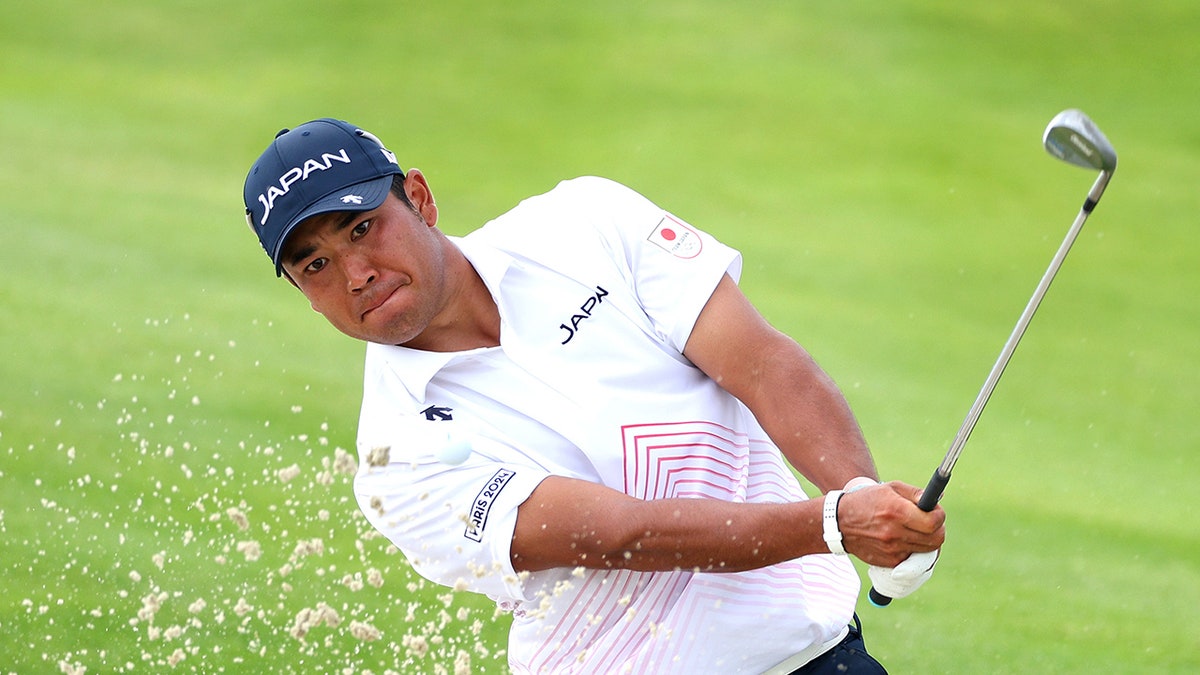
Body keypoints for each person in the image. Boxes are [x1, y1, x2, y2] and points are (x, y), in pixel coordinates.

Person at [242, 118, 945, 674]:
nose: (356, 272)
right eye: (316, 264)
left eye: (363, 227)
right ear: (305, 294)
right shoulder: (396, 458)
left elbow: (760, 363)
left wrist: (869, 505)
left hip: (820, 658)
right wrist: (834, 522)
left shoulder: (582, 223)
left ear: (419, 198)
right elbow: (622, 534)